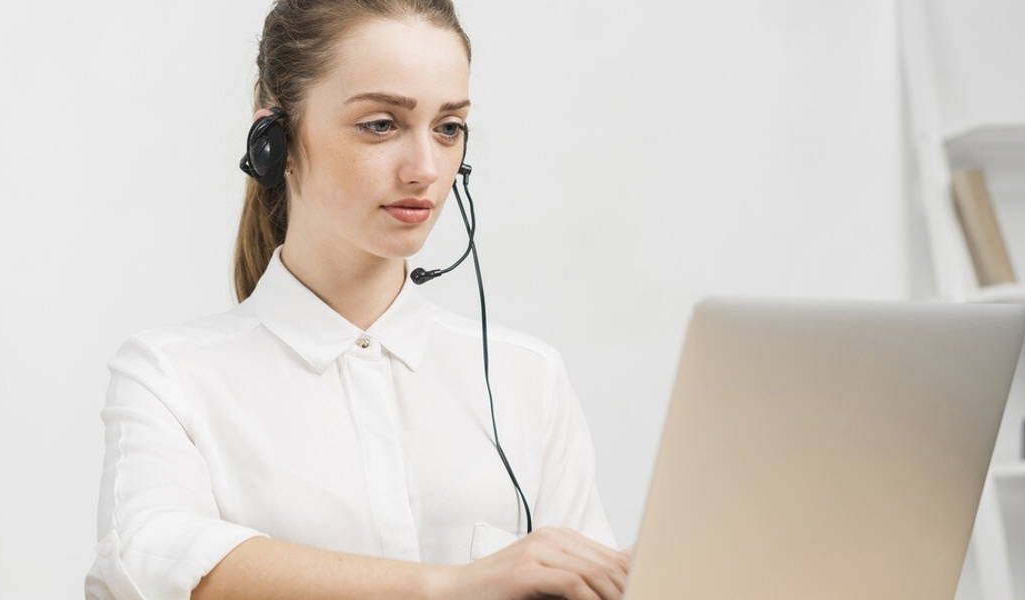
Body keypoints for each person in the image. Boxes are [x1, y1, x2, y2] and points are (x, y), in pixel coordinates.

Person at [85, 1, 630, 598]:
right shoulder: (171, 377)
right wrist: (451, 587)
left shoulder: (529, 378)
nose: (425, 169)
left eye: (448, 128)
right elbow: (150, 560)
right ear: (275, 139)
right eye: (381, 124)